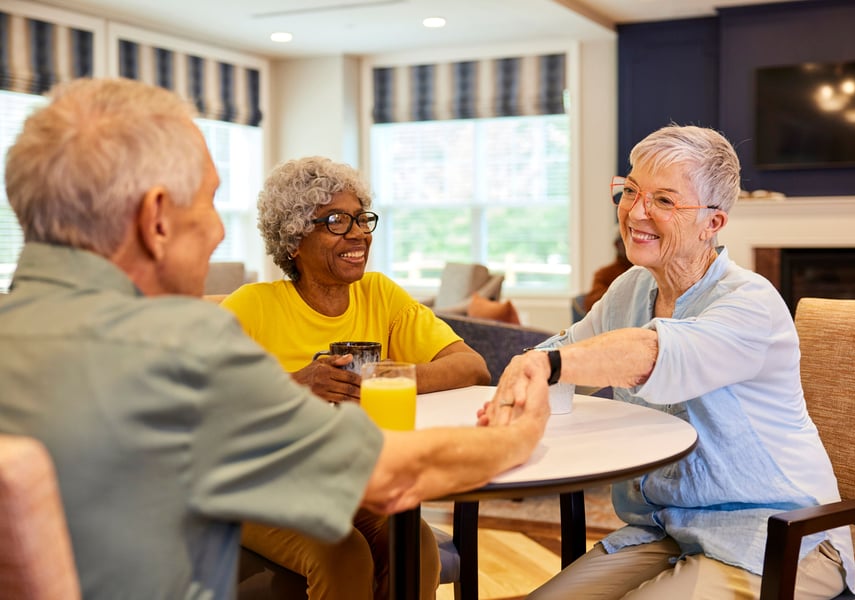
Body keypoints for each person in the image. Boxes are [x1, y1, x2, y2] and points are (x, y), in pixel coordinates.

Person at [0, 77, 550, 600]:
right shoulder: (181, 347)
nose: (218, 231)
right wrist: (519, 436)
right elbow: (388, 472)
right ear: (156, 219)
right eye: (210, 201)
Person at [480, 125, 855, 599]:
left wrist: (547, 367)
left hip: (777, 536)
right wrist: (523, 383)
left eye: (664, 201)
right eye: (631, 191)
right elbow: (565, 358)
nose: (636, 211)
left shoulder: (750, 302)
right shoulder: (631, 288)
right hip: (667, 527)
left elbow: (648, 356)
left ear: (713, 223)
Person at [220, 156, 491, 599]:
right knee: (341, 553)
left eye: (361, 218)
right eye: (336, 222)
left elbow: (471, 366)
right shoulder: (251, 306)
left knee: (416, 544)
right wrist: (295, 385)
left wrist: (388, 379)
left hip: (354, 481)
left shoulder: (380, 295)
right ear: (294, 240)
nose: (359, 234)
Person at [582, 235, 631, 312]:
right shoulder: (604, 273)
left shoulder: (649, 272)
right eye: (623, 241)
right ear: (617, 245)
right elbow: (591, 302)